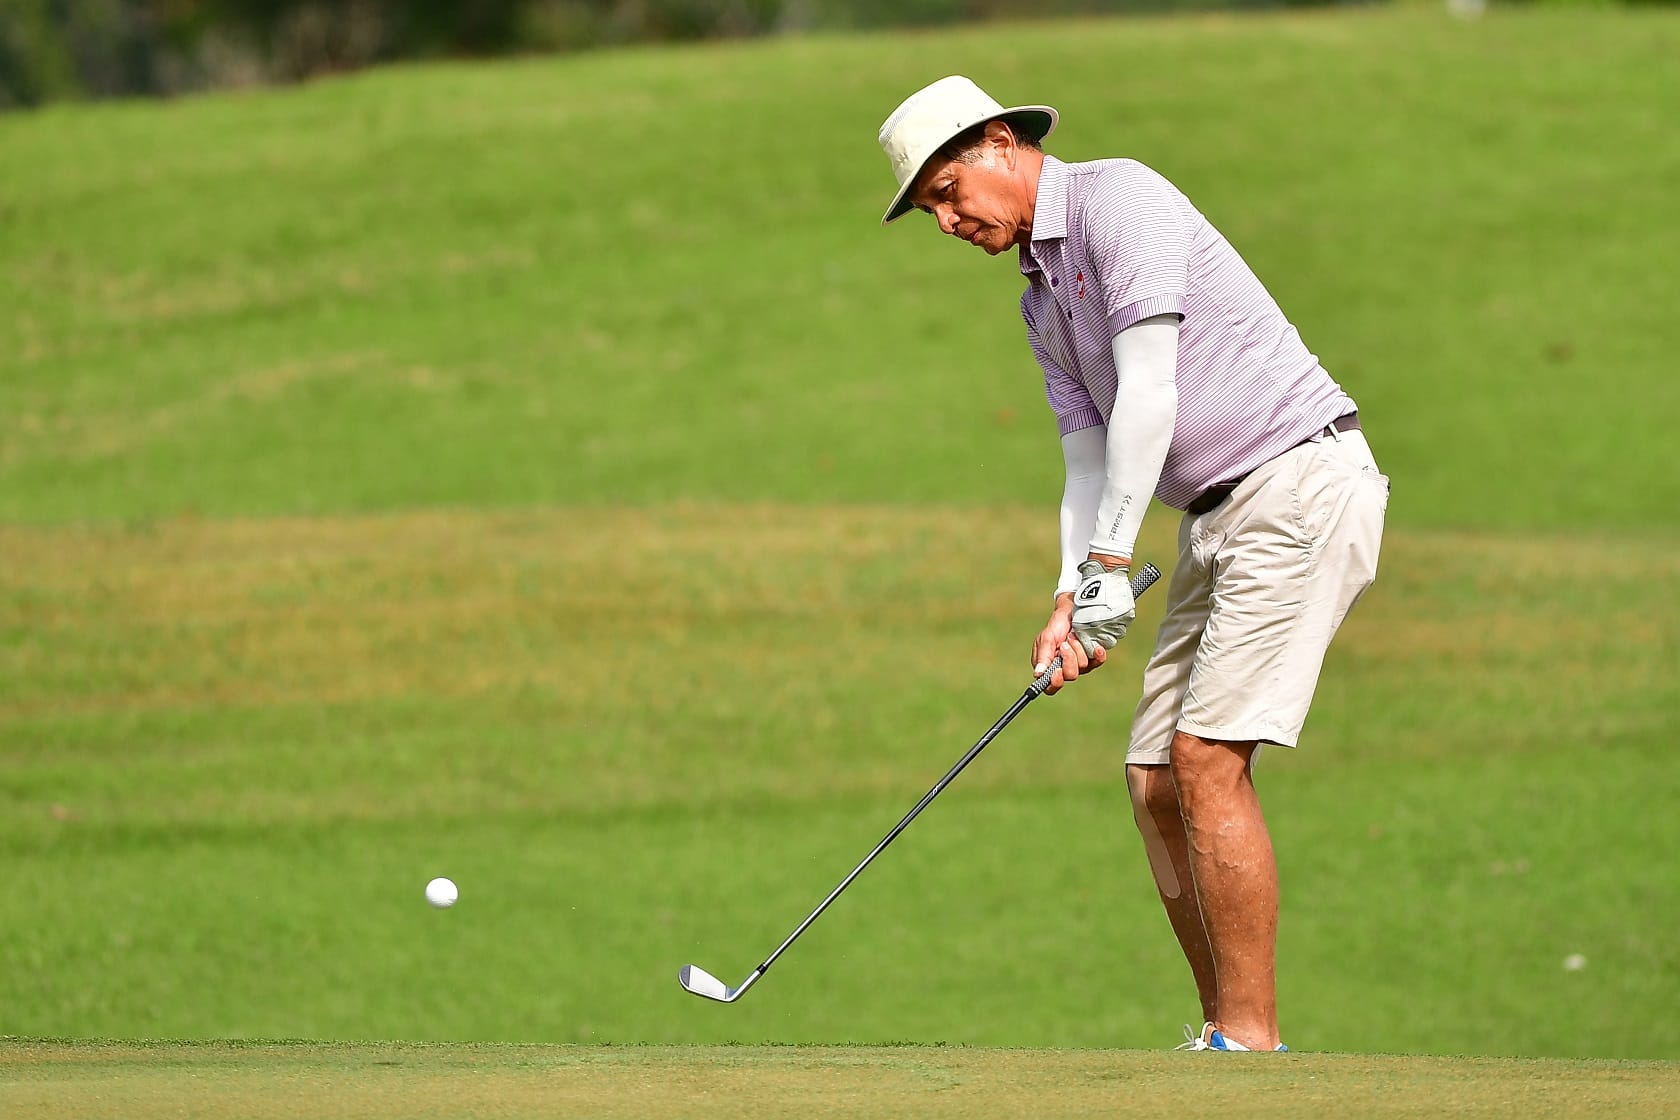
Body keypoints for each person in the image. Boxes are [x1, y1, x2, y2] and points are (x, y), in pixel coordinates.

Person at [875, 76, 1389, 1052]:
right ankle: (1220, 1028)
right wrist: (1073, 594)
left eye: (948, 190)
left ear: (997, 142)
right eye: (929, 210)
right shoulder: (1039, 303)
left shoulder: (1121, 201)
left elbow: (1150, 393)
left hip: (1299, 483)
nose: (945, 220)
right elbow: (1086, 456)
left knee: (1204, 759)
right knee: (1154, 773)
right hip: (1216, 519)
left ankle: (1249, 1042)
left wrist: (1113, 561)